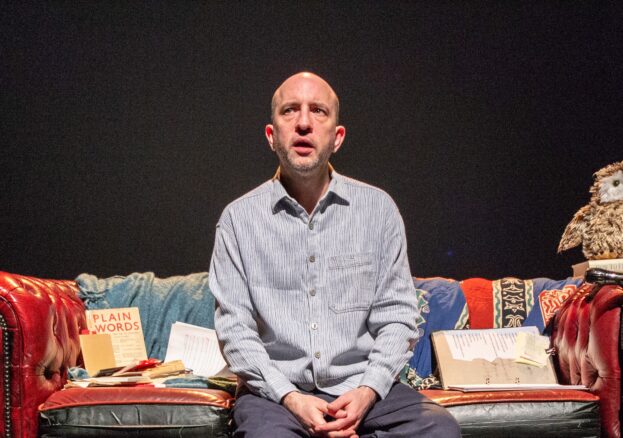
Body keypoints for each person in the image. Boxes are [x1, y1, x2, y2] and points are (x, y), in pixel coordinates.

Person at [209, 72, 460, 437]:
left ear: (337, 137)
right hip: (276, 397)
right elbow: (235, 331)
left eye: (319, 111)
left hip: (362, 389)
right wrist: (291, 397)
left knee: (439, 430)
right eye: (290, 111)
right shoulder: (237, 220)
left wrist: (367, 390)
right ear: (271, 135)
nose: (304, 123)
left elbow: (398, 317)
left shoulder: (378, 210)